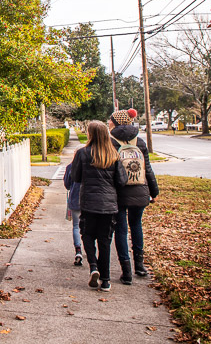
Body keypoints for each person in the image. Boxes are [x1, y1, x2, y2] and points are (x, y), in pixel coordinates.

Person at [71, 120, 126, 292]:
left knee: (87, 236)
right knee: (105, 241)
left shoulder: (83, 153)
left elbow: (76, 177)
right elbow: (122, 180)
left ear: (91, 134)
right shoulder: (114, 154)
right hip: (109, 205)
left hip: (88, 203)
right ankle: (106, 280)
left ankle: (93, 266)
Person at [108, 109, 160, 285]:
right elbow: (148, 169)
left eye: (111, 120)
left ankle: (126, 271)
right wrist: (154, 191)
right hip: (140, 189)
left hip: (119, 192)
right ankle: (140, 265)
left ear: (116, 122)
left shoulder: (110, 142)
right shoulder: (140, 141)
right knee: (136, 225)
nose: (109, 123)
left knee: (121, 230)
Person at [63, 164, 83, 266]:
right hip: (90, 201)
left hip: (75, 199)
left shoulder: (71, 167)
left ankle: (78, 250)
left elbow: (67, 184)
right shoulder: (93, 164)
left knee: (76, 226)